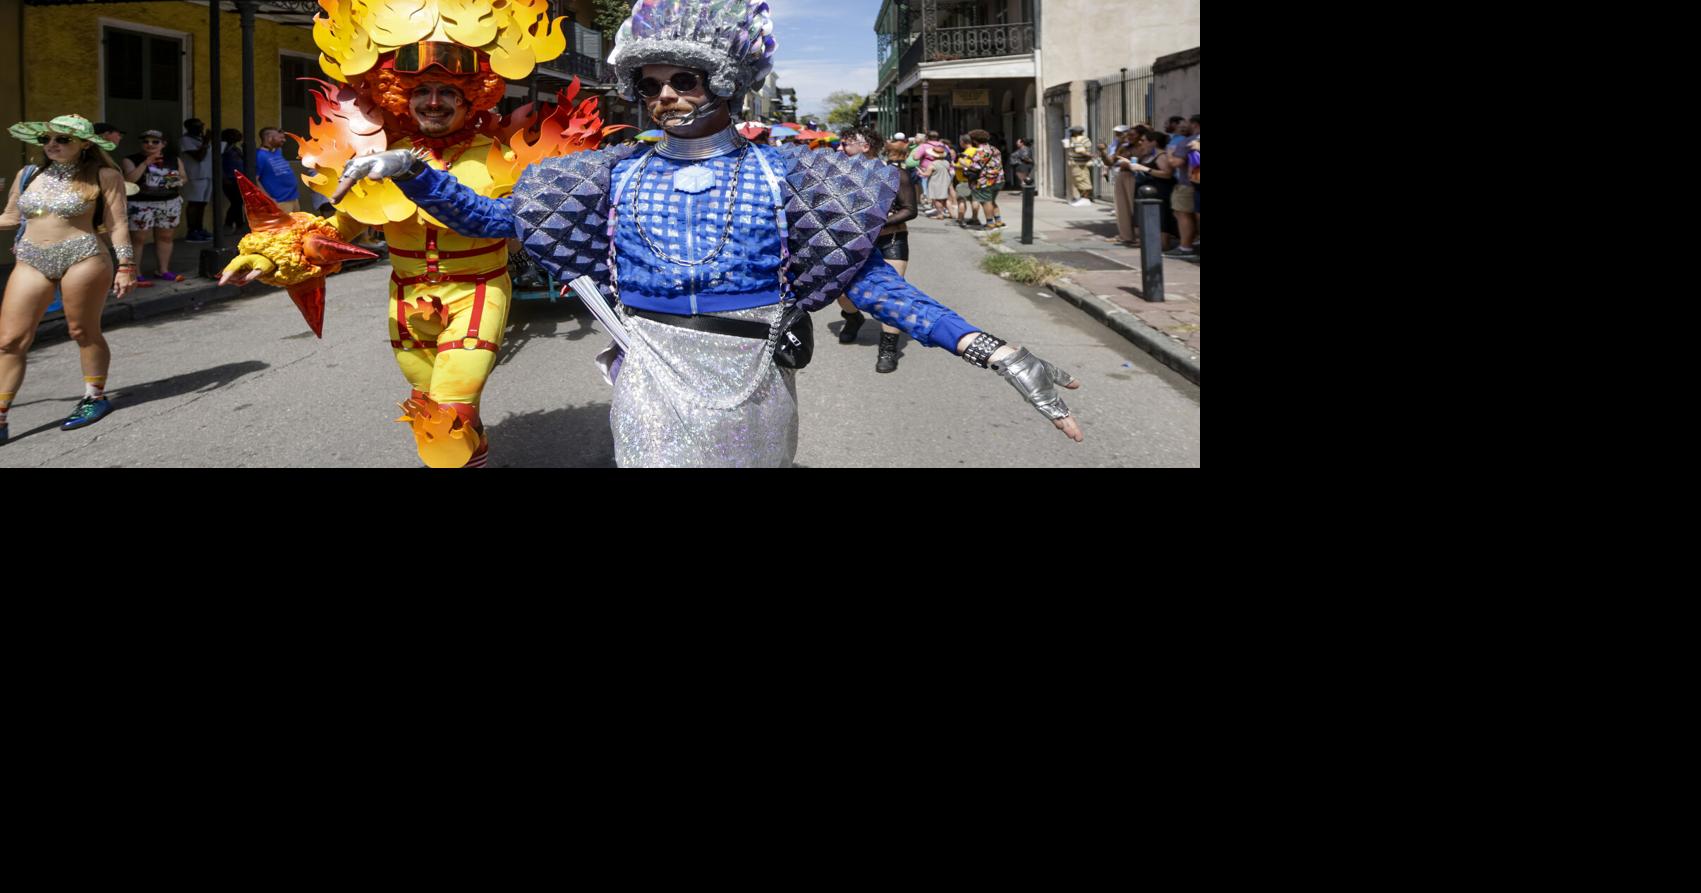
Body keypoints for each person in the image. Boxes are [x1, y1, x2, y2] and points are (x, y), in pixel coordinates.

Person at [332, 0, 1083, 467]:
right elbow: (501, 223)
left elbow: (868, 280)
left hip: (755, 382)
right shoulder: (612, 175)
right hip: (651, 374)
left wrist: (993, 349)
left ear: (723, 84)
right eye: (651, 83)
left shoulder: (789, 175)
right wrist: (411, 171)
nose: (665, 96)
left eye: (683, 81)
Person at [220, 4, 610, 468]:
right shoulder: (381, 156)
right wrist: (271, 255)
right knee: (432, 409)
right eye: (421, 90)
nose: (433, 102)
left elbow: (523, 219)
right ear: (400, 95)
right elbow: (340, 225)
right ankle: (474, 452)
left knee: (446, 415)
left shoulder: (501, 157)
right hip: (405, 299)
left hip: (477, 292)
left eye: (447, 91)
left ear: (472, 99)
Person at [0, 114, 137, 442]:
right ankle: (2, 416)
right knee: (9, 340)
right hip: (32, 259)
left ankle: (94, 397)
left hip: (84, 257)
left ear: (85, 144)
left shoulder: (105, 175)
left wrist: (126, 266)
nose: (52, 145)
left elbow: (117, 224)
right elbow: (10, 217)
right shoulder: (28, 174)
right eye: (47, 139)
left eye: (62, 140)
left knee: (82, 331)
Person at [834, 129, 916, 373]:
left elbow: (910, 209)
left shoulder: (895, 174)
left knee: (890, 295)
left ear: (865, 146)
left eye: (845, 144)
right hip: (853, 242)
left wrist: (877, 223)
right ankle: (853, 317)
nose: (840, 149)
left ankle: (888, 348)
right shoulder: (840, 174)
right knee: (842, 292)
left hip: (890, 241)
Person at [121, 128, 189, 282]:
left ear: (163, 144)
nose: (150, 144)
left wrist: (177, 181)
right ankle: (136, 273)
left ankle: (163, 270)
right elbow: (129, 180)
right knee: (138, 238)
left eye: (155, 141)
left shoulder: (173, 160)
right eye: (146, 141)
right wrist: (146, 162)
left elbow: (184, 177)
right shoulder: (130, 159)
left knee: (165, 236)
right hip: (140, 202)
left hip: (168, 201)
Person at [1129, 130, 1178, 250]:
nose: (1141, 143)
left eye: (1144, 140)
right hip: (1146, 192)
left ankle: (1163, 244)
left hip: (1160, 191)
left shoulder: (1161, 156)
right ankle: (1148, 242)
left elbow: (1167, 174)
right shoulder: (1148, 155)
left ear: (1154, 142)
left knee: (1162, 218)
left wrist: (1145, 169)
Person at [1098, 125, 1138, 245]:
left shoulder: (1141, 147)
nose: (1126, 137)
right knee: (1121, 208)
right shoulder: (1122, 147)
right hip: (1122, 174)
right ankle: (1126, 236)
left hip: (1135, 176)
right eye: (1126, 135)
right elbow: (1110, 161)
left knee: (1135, 208)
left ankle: (1139, 236)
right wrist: (1103, 152)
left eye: (1131, 135)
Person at [1165, 115, 1197, 258]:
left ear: (1195, 124)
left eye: (1188, 123)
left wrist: (1170, 154)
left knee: (1183, 214)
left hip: (1187, 183)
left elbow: (1176, 163)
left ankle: (1186, 247)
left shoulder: (1188, 141)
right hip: (1194, 184)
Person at [179, 117, 214, 242]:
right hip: (194, 176)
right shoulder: (185, 140)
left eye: (201, 125)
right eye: (197, 126)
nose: (200, 128)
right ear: (189, 128)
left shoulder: (200, 139)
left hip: (207, 175)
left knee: (202, 204)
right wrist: (206, 142)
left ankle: (199, 229)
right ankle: (191, 231)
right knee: (194, 203)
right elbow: (199, 157)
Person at [255, 127, 300, 213]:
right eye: (280, 138)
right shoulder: (260, 156)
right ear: (269, 138)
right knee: (284, 226)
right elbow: (255, 180)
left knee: (297, 225)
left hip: (293, 198)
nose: (284, 140)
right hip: (279, 202)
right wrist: (268, 199)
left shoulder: (277, 152)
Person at [967, 129, 1003, 229]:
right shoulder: (994, 149)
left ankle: (990, 223)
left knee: (986, 201)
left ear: (974, 141)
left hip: (986, 181)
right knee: (992, 201)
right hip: (999, 179)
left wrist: (963, 164)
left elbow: (974, 167)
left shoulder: (980, 152)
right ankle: (998, 221)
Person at [219, 128, 247, 234]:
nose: (239, 136)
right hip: (229, 179)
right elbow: (219, 162)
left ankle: (237, 225)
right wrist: (223, 177)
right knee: (236, 202)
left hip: (238, 178)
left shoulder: (236, 148)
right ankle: (230, 224)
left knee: (238, 202)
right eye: (235, 134)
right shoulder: (224, 147)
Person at [952, 133, 979, 227]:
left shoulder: (965, 153)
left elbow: (964, 166)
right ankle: (975, 218)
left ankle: (960, 219)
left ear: (963, 142)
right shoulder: (977, 151)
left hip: (964, 181)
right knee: (975, 200)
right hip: (976, 181)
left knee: (961, 200)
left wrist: (954, 165)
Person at [1064, 124, 1094, 206]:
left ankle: (1085, 199)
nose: (1071, 133)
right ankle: (1082, 197)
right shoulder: (1081, 139)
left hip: (1080, 164)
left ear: (1076, 132)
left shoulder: (1078, 139)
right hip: (1079, 163)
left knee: (1081, 180)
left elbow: (1080, 151)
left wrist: (1090, 155)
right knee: (1078, 181)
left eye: (1072, 131)